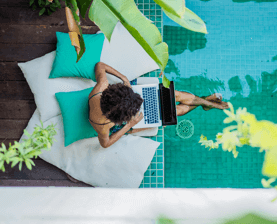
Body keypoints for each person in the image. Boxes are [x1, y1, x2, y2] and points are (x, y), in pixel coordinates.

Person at [66, 61, 228, 182]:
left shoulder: (101, 88)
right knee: (175, 111)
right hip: (131, 122)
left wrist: (123, 79)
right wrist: (129, 125)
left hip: (126, 101)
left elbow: (100, 65)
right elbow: (105, 143)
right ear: (120, 119)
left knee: (175, 95)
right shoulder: (101, 124)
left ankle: (207, 103)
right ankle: (207, 103)